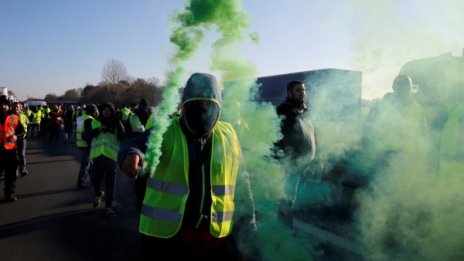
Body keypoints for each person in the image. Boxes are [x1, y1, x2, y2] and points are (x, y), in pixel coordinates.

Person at [118, 73, 255, 260]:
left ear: (219, 107)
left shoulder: (229, 135)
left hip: (216, 239)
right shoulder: (166, 130)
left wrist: (247, 232)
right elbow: (139, 142)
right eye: (196, 106)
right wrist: (131, 153)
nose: (202, 113)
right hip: (167, 240)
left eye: (209, 106)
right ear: (183, 108)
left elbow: (242, 183)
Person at [274, 80, 317, 224]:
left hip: (306, 164)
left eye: (304, 90)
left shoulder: (306, 111)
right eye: (298, 90)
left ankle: (288, 223)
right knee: (287, 199)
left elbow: (312, 135)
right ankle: (283, 230)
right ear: (289, 93)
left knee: (297, 199)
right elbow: (276, 138)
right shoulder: (283, 111)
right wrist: (283, 161)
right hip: (291, 164)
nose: (302, 93)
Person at [84, 102, 125, 216]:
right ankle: (99, 194)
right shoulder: (95, 122)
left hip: (111, 157)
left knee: (110, 183)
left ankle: (109, 206)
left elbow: (123, 136)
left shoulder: (117, 123)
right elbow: (86, 135)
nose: (106, 111)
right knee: (96, 179)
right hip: (97, 156)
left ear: (112, 112)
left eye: (109, 110)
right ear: (101, 111)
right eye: (104, 110)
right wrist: (98, 130)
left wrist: (118, 123)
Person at [0, 95, 26, 202]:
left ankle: (9, 194)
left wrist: (16, 136)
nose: (3, 107)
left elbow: (22, 132)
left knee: (10, 175)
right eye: (1, 104)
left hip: (10, 150)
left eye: (5, 105)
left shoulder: (14, 118)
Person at [75, 104, 98, 189]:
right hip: (87, 145)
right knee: (86, 164)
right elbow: (91, 134)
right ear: (93, 112)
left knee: (90, 163)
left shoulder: (80, 118)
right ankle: (81, 183)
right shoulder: (90, 120)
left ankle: (94, 179)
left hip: (80, 144)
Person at [12, 102, 29, 177]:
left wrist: (26, 134)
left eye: (18, 107)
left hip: (22, 139)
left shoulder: (24, 116)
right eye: (15, 107)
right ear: (12, 108)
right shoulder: (10, 117)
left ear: (20, 108)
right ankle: (15, 170)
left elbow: (28, 125)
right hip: (13, 139)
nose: (16, 108)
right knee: (14, 156)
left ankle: (22, 169)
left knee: (22, 154)